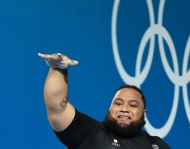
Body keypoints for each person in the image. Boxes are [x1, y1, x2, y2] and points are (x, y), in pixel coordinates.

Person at [38, 52, 171, 149]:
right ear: (110, 108)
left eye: (133, 105)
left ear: (144, 114)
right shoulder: (90, 133)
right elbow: (57, 108)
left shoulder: (157, 145)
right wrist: (58, 68)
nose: (124, 109)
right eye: (118, 103)